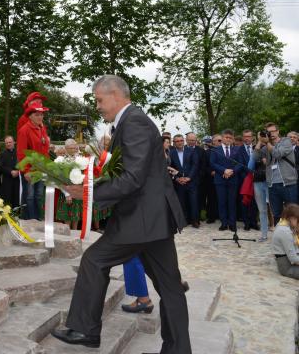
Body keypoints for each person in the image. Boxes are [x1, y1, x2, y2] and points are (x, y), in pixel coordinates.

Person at [51, 75, 190, 353]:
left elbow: (132, 177)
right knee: (171, 287)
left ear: (115, 95)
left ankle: (85, 330)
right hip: (153, 220)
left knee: (94, 260)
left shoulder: (134, 122)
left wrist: (89, 193)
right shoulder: (131, 122)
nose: (98, 106)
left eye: (99, 100)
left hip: (140, 218)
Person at [256, 122, 297, 224]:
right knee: (277, 214)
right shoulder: (266, 146)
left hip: (288, 184)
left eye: (273, 131)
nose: (271, 134)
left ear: (278, 131)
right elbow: (255, 157)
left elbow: (277, 154)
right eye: (268, 132)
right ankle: (280, 236)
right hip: (272, 184)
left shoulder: (286, 141)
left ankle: (295, 237)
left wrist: (267, 143)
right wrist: (259, 141)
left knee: (292, 213)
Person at [17, 102, 50, 221]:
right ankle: (29, 220)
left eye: (41, 114)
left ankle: (38, 218)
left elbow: (45, 149)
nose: (40, 117)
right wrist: (25, 171)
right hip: (29, 170)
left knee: (39, 195)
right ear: (30, 116)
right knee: (29, 196)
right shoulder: (24, 130)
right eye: (37, 115)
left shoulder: (42, 128)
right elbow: (21, 153)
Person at [210, 129, 243, 231]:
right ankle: (224, 223)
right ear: (222, 138)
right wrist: (224, 170)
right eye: (226, 137)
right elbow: (212, 163)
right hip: (220, 179)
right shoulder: (215, 150)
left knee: (232, 202)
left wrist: (231, 171)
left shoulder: (237, 150)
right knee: (222, 201)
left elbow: (240, 163)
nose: (228, 139)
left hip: (233, 179)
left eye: (230, 138)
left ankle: (232, 223)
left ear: (233, 139)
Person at [170, 134, 200, 228]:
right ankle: (184, 221)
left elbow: (195, 165)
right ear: (173, 143)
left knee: (193, 202)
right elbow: (170, 168)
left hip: (191, 181)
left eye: (181, 140)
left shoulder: (191, 151)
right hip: (179, 182)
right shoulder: (171, 153)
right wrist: (177, 178)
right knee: (181, 202)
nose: (179, 142)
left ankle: (195, 221)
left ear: (184, 141)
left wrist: (189, 177)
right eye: (177, 141)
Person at [56, 139, 83, 230]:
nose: (75, 149)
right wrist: (67, 194)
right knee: (67, 215)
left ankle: (75, 233)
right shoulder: (61, 160)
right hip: (67, 191)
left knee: (76, 214)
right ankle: (67, 234)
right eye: (72, 148)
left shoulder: (80, 159)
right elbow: (59, 179)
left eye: (75, 147)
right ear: (66, 148)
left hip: (78, 190)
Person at [250, 131, 269, 242]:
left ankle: (281, 233)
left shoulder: (272, 147)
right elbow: (250, 166)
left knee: (276, 210)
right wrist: (259, 142)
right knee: (262, 210)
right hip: (258, 181)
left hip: (270, 181)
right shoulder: (256, 149)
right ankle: (264, 234)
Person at [271, 203, 299, 279]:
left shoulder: (284, 224)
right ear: (292, 218)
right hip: (287, 267)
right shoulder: (285, 231)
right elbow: (293, 258)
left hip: (293, 261)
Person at [0, 135, 20, 207]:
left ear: (14, 142)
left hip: (17, 179)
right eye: (6, 143)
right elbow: (1, 167)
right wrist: (10, 171)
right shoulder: (3, 154)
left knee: (17, 196)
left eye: (10, 142)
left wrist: (18, 171)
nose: (8, 144)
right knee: (7, 198)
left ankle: (17, 212)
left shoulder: (19, 153)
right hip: (7, 179)